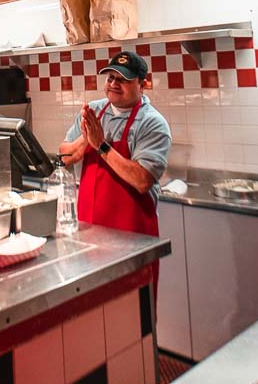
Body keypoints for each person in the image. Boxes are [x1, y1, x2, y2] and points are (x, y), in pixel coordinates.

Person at [58, 51, 172, 256]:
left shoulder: (152, 123)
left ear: (142, 85)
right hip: (87, 232)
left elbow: (142, 180)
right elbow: (65, 157)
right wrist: (88, 138)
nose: (113, 84)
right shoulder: (93, 111)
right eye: (110, 77)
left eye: (123, 80)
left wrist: (101, 145)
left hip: (132, 238)